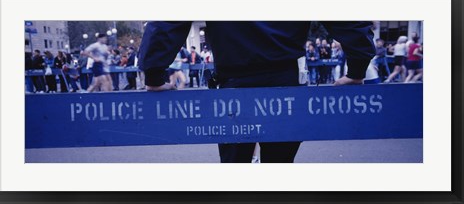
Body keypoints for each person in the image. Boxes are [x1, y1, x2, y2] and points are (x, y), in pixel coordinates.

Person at [138, 21, 375, 163]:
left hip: (233, 84)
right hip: (286, 79)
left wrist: (153, 73)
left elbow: (167, 22)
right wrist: (357, 68)